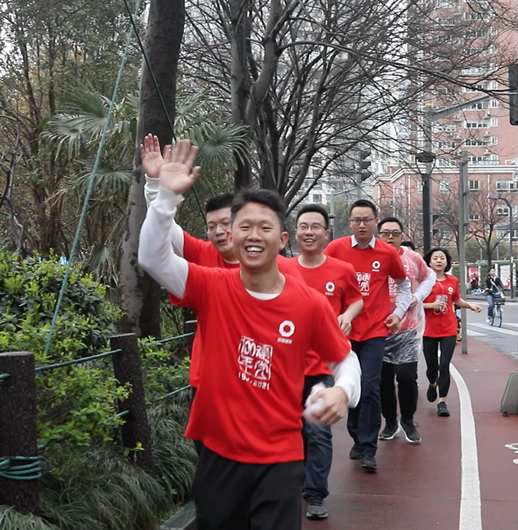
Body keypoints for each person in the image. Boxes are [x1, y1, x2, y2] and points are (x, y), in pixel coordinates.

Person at [138, 140, 361, 530]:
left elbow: (345, 359)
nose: (253, 235)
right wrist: (164, 196)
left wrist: (343, 391)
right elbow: (152, 257)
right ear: (232, 235)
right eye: (244, 226)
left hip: (280, 458)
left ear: (282, 239)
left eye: (264, 227)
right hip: (218, 454)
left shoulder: (308, 304)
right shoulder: (210, 286)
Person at [140, 134, 303, 396]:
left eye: (226, 224)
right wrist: (156, 185)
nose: (218, 232)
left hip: (264, 383)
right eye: (211, 226)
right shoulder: (202, 258)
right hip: (210, 381)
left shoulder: (284, 270)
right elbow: (161, 236)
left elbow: (310, 329)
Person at [324, 199, 411, 472]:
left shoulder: (387, 253)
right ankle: (356, 437)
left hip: (375, 330)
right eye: (356, 220)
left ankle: (368, 446)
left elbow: (403, 284)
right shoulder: (335, 249)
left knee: (370, 386)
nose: (361, 225)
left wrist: (398, 312)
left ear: (375, 222)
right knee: (350, 386)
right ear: (349, 223)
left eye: (366, 220)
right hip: (344, 331)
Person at [290, 204, 363, 520]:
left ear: (326, 233)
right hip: (285, 368)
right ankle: (290, 485)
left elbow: (356, 300)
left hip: (322, 367)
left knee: (318, 431)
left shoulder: (341, 270)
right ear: (295, 233)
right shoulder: (281, 269)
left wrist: (347, 315)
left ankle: (315, 494)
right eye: (303, 226)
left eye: (315, 227)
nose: (309, 232)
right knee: (290, 432)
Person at [377, 218, 436, 444]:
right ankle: (390, 421)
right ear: (378, 236)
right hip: (378, 329)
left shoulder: (412, 258)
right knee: (383, 380)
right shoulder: (371, 258)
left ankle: (408, 421)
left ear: (402, 236)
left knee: (406, 377)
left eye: (395, 233)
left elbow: (429, 277)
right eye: (385, 233)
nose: (390, 237)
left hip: (408, 328)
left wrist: (417, 296)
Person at [422, 248, 482, 417]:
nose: (439, 261)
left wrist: (470, 306)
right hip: (428, 329)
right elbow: (414, 302)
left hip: (448, 328)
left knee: (444, 365)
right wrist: (431, 305)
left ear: (447, 262)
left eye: (442, 258)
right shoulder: (423, 281)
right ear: (429, 262)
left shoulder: (452, 280)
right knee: (432, 368)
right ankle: (432, 383)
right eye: (435, 258)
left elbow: (456, 299)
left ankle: (442, 402)